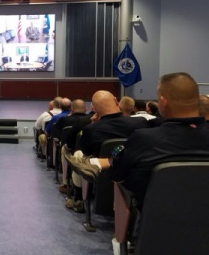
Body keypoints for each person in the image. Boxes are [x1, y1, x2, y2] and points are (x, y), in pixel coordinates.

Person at [65, 72, 209, 210]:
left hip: (155, 219)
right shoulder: (143, 125)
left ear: (163, 102)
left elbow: (117, 175)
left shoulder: (145, 139)